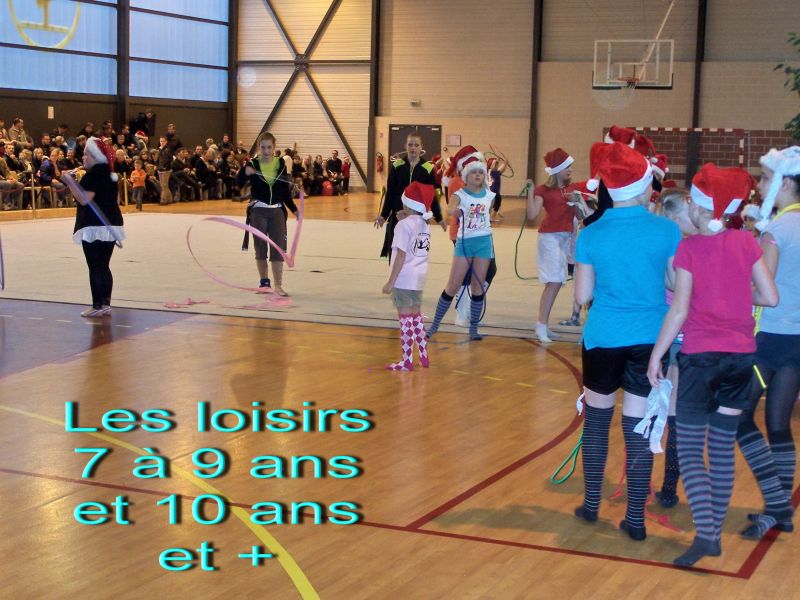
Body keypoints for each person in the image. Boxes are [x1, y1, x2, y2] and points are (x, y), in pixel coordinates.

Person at [647, 163, 777, 566]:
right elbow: (770, 297)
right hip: (741, 359)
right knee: (721, 449)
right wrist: (735, 292)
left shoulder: (689, 249)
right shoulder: (746, 242)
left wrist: (656, 354)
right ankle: (712, 532)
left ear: (698, 206)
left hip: (701, 359)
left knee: (689, 451)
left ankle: (707, 537)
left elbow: (679, 309)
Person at [573, 141, 681, 542]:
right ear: (644, 185)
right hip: (651, 342)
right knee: (638, 429)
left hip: (603, 337)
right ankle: (635, 518)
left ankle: (591, 505)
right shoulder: (667, 229)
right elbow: (675, 283)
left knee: (597, 424)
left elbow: (583, 296)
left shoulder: (591, 233)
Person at [736, 146, 800, 540]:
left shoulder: (778, 230)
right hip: (797, 341)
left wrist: (728, 286)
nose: (759, 186)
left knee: (739, 417)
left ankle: (776, 505)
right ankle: (781, 511)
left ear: (785, 182)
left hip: (771, 340)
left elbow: (765, 292)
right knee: (777, 423)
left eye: (764, 178)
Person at [426, 145, 494, 341]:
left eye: (480, 172)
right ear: (466, 176)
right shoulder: (460, 194)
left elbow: (488, 214)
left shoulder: (489, 196)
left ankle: (473, 329)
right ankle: (435, 325)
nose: (477, 175)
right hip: (465, 244)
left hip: (484, 243)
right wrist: (453, 211)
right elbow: (449, 208)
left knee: (477, 288)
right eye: (473, 172)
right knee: (453, 285)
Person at [527, 148, 583, 342]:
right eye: (567, 167)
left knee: (557, 280)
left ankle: (543, 324)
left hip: (566, 238)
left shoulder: (572, 188)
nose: (570, 170)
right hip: (549, 238)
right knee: (554, 281)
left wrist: (578, 201)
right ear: (557, 170)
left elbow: (580, 217)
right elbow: (532, 214)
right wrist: (530, 191)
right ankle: (541, 325)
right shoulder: (543, 190)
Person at [236, 132, 298, 297]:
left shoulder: (280, 164)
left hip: (277, 211)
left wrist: (294, 209)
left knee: (278, 249)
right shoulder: (253, 164)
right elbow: (239, 183)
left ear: (274, 147)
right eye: (263, 147)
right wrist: (244, 171)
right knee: (261, 248)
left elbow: (284, 191)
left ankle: (278, 285)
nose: (266, 151)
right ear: (258, 147)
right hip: (258, 210)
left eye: (269, 147)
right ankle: (264, 283)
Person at [382, 182, 434, 371]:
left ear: (406, 204)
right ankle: (424, 355)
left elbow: (401, 255)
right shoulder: (425, 224)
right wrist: (406, 218)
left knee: (405, 319)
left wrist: (390, 282)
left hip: (404, 278)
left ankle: (406, 360)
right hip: (419, 277)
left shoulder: (403, 226)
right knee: (416, 317)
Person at [73, 137, 125, 317]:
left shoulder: (93, 174)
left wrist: (69, 181)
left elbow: (83, 198)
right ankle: (105, 304)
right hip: (111, 224)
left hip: (94, 225)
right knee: (103, 266)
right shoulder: (109, 173)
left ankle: (97, 306)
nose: (83, 157)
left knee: (95, 266)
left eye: (86, 154)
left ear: (95, 156)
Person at [374, 133, 444, 259]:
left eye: (416, 145)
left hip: (418, 218)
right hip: (398, 216)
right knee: (396, 253)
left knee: (414, 254)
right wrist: (384, 215)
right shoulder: (397, 166)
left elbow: (431, 195)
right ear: (405, 146)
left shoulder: (427, 168)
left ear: (421, 147)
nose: (413, 148)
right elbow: (390, 193)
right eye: (410, 145)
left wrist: (439, 218)